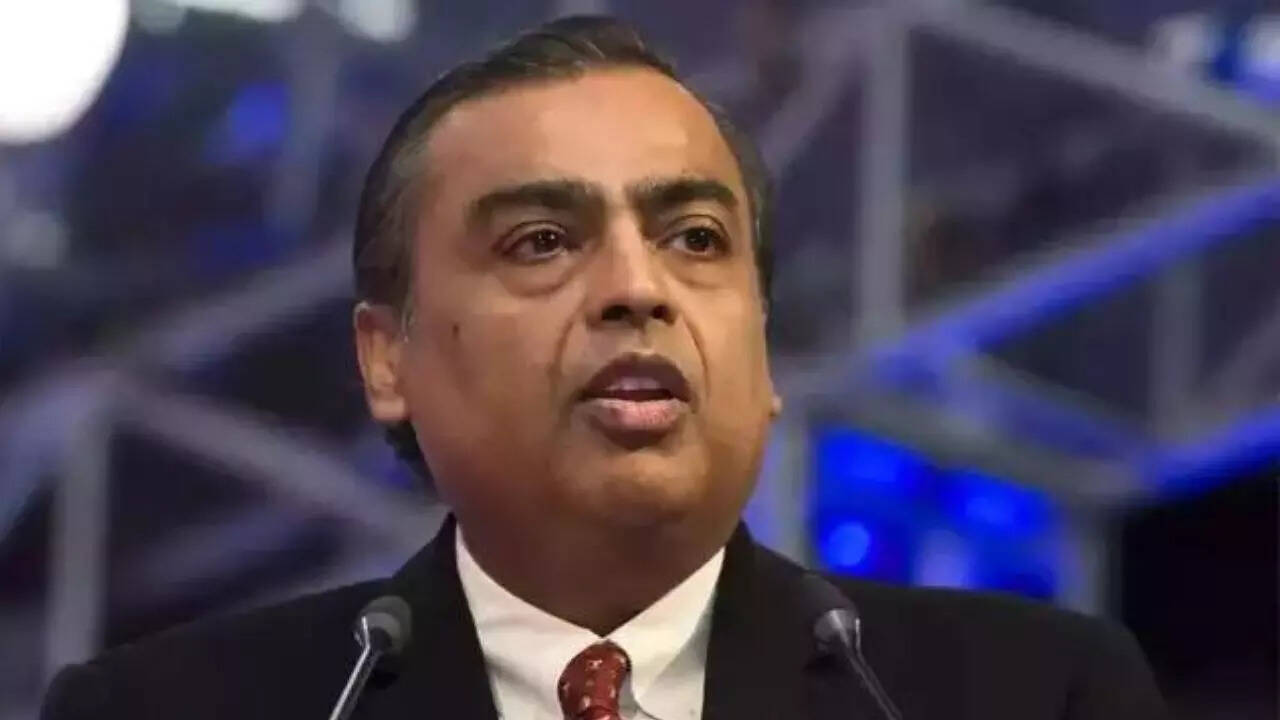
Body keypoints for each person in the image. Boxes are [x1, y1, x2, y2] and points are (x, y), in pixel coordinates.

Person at [41, 15, 1167, 720]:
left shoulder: (1031, 695)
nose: (638, 288)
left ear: (762, 342)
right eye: (542, 242)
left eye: (696, 239)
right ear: (388, 360)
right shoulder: (163, 712)